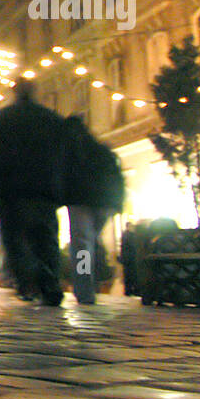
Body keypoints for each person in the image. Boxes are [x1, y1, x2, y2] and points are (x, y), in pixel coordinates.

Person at [0, 78, 71, 306]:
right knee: (46, 239)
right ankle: (50, 284)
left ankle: (26, 283)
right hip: (44, 189)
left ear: (14, 92)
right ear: (35, 92)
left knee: (15, 240)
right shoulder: (51, 119)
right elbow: (65, 154)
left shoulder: (1, 119)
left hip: (11, 190)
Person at [64, 114, 126, 304]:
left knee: (83, 245)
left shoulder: (69, 151)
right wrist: (117, 202)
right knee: (91, 242)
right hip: (104, 203)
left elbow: (64, 177)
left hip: (81, 201)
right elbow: (116, 177)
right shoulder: (101, 149)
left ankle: (85, 288)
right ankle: (93, 282)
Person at [120, 220, 139, 296]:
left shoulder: (125, 234)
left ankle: (128, 291)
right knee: (131, 275)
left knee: (128, 276)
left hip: (126, 258)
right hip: (130, 258)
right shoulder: (129, 235)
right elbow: (132, 245)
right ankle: (132, 290)